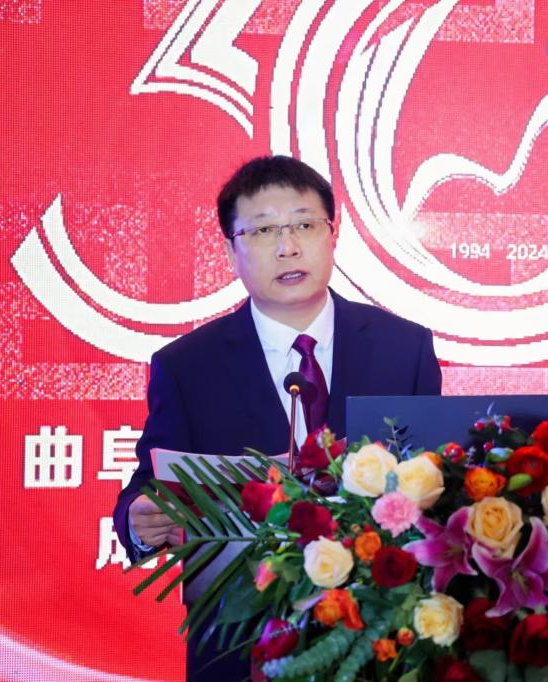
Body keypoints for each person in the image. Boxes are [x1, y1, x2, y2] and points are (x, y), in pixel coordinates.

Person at [113, 155, 442, 680]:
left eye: (305, 225)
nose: (288, 247)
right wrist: (138, 518)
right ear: (231, 250)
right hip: (241, 643)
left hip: (381, 640)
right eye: (263, 230)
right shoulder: (187, 366)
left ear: (333, 235)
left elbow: (433, 481)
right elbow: (152, 484)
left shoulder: (403, 348)